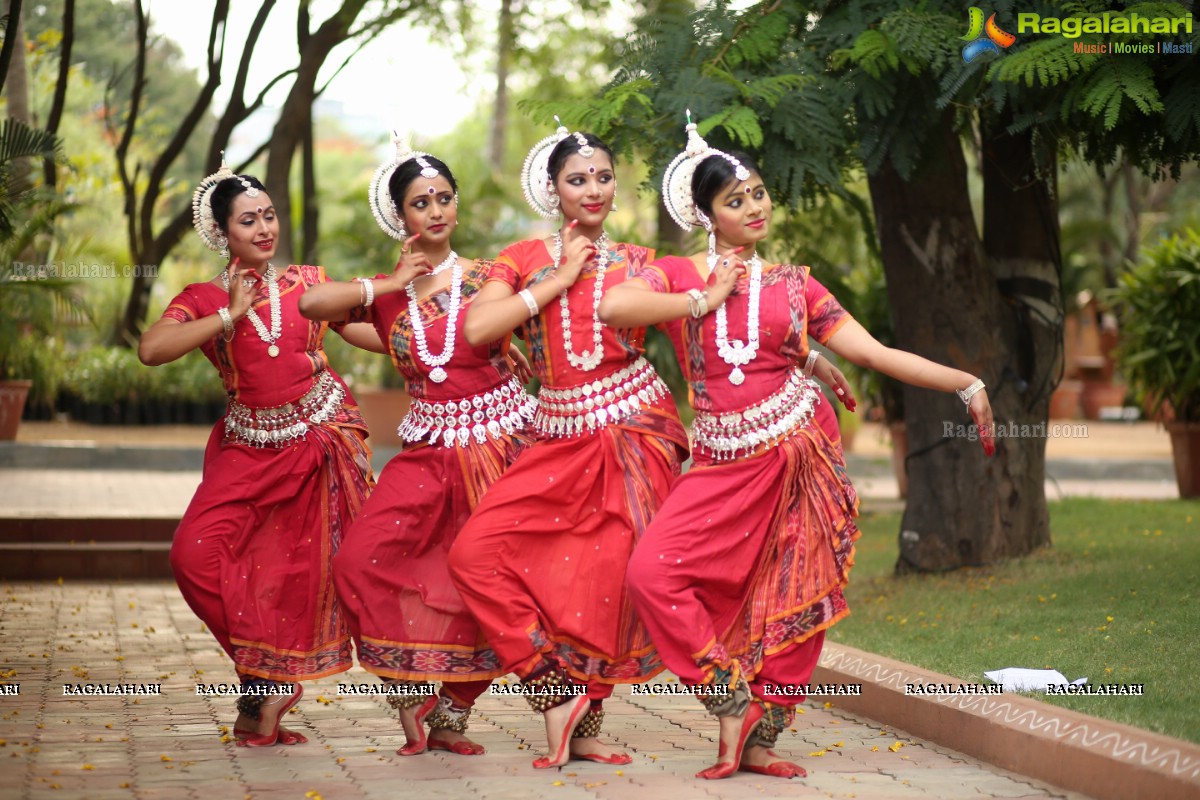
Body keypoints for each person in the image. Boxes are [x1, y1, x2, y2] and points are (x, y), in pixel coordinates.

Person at [599, 117, 995, 780]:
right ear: (705, 213)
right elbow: (615, 310)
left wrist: (966, 383)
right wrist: (705, 296)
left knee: (799, 601)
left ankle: (760, 742)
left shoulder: (794, 285)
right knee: (652, 575)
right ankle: (727, 700)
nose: (754, 207)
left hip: (795, 456)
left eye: (758, 193)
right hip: (721, 462)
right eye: (735, 199)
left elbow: (873, 352)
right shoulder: (676, 275)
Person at [446, 124, 689, 769]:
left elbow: (703, 314)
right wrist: (556, 278)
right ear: (553, 190)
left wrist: (810, 363)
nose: (593, 189)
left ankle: (580, 725)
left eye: (603, 177)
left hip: (632, 431)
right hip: (553, 435)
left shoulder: (641, 263)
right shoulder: (523, 257)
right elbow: (477, 327)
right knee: (476, 555)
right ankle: (552, 690)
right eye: (577, 179)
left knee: (603, 587)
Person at [298, 136, 537, 757]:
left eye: (444, 198)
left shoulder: (488, 277)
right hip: (427, 452)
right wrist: (388, 285)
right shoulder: (385, 296)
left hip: (497, 444)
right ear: (399, 217)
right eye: (419, 202)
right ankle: (410, 691)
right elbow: (311, 305)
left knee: (491, 582)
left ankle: (454, 713)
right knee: (359, 563)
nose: (435, 210)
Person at [138, 158, 379, 747]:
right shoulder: (201, 297)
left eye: (269, 216)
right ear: (223, 233)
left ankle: (269, 695)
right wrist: (228, 315)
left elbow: (373, 331)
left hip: (319, 440)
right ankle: (264, 674)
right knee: (193, 558)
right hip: (248, 447)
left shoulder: (306, 284)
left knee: (306, 572)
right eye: (249, 220)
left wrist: (432, 352)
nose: (265, 229)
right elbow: (152, 349)